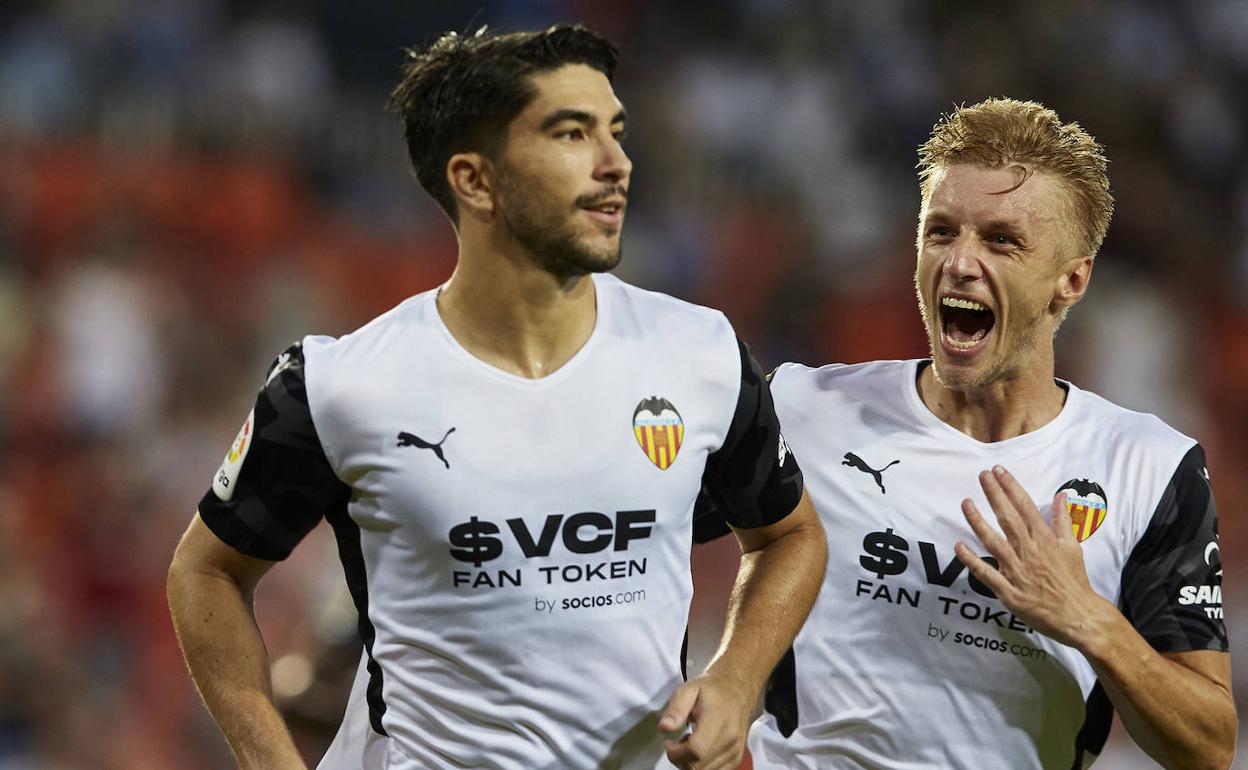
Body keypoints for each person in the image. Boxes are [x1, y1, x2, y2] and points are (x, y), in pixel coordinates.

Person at [165, 24, 827, 770]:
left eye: (616, 131)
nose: (617, 164)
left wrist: (735, 679)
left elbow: (789, 536)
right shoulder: (339, 385)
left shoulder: (697, 353)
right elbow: (206, 572)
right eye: (571, 134)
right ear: (474, 181)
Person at [721, 98, 1234, 769]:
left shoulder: (1149, 466)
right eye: (940, 232)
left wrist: (1088, 619)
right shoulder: (802, 405)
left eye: (1000, 239)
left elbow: (1210, 746)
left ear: (1070, 280)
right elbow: (634, 529)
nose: (959, 262)